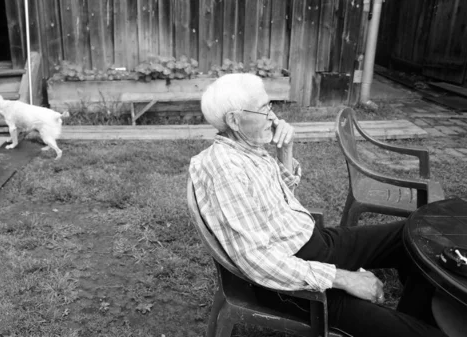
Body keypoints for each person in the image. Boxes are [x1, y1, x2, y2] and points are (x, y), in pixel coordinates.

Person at [188, 73, 446, 337]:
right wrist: (344, 277)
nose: (274, 118)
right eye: (265, 108)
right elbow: (257, 260)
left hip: (313, 245)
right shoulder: (225, 169)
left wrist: (285, 150)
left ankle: (413, 313)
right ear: (234, 119)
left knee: (412, 235)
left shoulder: (245, 148)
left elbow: (275, 198)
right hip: (292, 287)